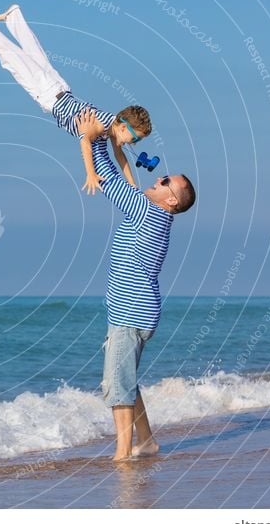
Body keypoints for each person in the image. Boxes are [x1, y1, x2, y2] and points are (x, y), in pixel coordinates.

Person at [76, 109, 196, 462]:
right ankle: (146, 441)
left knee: (116, 384)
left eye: (164, 183)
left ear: (171, 199)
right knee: (125, 377)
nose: (158, 180)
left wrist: (94, 136)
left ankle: (122, 455)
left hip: (132, 314)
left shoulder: (145, 211)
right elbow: (120, 172)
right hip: (137, 311)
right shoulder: (153, 213)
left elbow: (110, 181)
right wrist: (108, 141)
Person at [0, 4, 150, 195]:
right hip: (48, 93)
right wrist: (91, 174)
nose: (133, 143)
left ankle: (14, 16)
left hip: (60, 88)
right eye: (135, 139)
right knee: (10, 58)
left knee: (33, 52)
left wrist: (133, 186)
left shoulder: (113, 129)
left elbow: (119, 156)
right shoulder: (99, 125)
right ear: (124, 127)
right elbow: (85, 142)